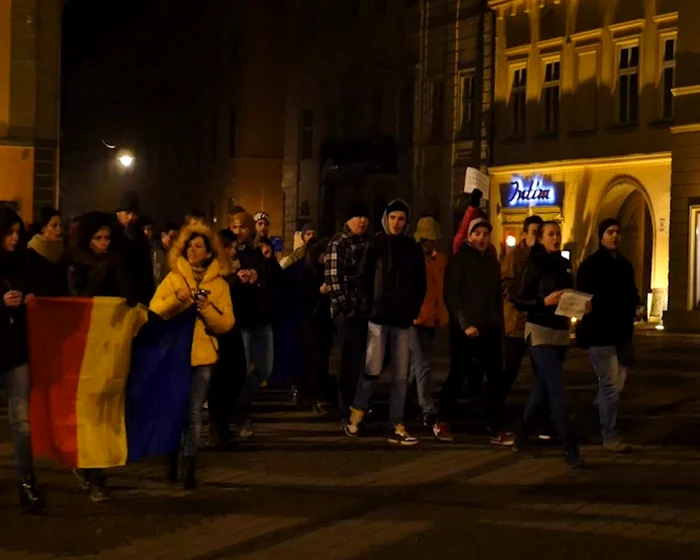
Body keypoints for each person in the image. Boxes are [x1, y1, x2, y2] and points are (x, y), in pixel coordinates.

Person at [150, 222, 234, 489]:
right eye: (190, 246)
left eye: (199, 246)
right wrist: (179, 300)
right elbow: (155, 309)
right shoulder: (174, 278)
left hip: (203, 357)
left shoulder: (219, 284)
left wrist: (206, 308)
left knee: (194, 413)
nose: (193, 250)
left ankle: (190, 466)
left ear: (210, 253)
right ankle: (172, 459)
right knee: (175, 409)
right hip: (174, 355)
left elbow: (226, 323)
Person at [344, 199, 426, 445]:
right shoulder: (377, 243)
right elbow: (363, 276)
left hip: (402, 320)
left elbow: (420, 283)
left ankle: (396, 424)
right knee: (372, 370)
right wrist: (369, 306)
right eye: (393, 218)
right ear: (386, 219)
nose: (397, 223)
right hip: (378, 319)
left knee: (400, 376)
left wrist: (412, 309)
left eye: (401, 219)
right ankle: (356, 415)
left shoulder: (412, 248)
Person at [67, 212, 130, 501]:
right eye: (98, 238)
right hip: (84, 348)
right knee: (89, 410)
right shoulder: (76, 264)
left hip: (109, 345)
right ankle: (93, 473)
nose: (103, 243)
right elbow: (76, 302)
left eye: (106, 238)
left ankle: (94, 467)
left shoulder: (116, 263)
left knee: (105, 410)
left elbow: (124, 298)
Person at [513, 221, 584, 468]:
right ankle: (570, 447)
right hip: (539, 332)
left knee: (541, 388)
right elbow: (519, 299)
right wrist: (543, 301)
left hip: (560, 333)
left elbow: (571, 294)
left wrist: (581, 303)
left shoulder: (564, 264)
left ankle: (521, 434)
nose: (555, 239)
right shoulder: (534, 263)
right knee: (556, 389)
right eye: (550, 235)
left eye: (557, 234)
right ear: (540, 238)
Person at [434, 218, 504, 444]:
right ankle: (442, 419)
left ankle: (495, 426)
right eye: (478, 234)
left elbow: (495, 297)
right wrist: (464, 324)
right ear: (469, 236)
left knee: (494, 377)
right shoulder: (460, 259)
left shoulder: (492, 262)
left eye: (485, 234)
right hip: (465, 331)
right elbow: (452, 295)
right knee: (457, 375)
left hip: (489, 329)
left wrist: (497, 324)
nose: (482, 238)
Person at [576, 218, 638, 454]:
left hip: (622, 334)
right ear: (601, 236)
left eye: (617, 232)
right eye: (610, 232)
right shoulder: (591, 265)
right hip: (600, 335)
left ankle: (598, 411)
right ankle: (609, 435)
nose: (614, 236)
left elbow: (630, 294)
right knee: (610, 386)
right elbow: (584, 298)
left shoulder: (624, 265)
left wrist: (634, 306)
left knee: (615, 385)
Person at [0, 208, 44, 513]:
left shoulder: (25, 262)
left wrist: (31, 299)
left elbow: (42, 289)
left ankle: (28, 484)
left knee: (22, 421)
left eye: (18, 232)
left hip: (16, 350)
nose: (14, 238)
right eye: (9, 232)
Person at [229, 211, 280, 439]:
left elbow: (276, 279)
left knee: (264, 368)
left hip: (261, 319)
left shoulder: (260, 252)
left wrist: (260, 272)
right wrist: (236, 278)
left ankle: (237, 409)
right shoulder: (228, 253)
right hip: (241, 321)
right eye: (234, 227)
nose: (238, 232)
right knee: (239, 371)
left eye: (242, 227)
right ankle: (237, 416)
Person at [324, 200, 370, 421]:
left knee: (364, 361)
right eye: (357, 217)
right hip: (348, 312)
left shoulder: (368, 242)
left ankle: (359, 405)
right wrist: (346, 307)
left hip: (366, 311)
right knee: (350, 361)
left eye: (365, 217)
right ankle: (346, 406)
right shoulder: (339, 243)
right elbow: (333, 278)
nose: (362, 221)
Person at [500, 215, 543, 434]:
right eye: (533, 232)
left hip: (536, 323)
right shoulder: (515, 257)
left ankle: (541, 420)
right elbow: (508, 286)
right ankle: (495, 413)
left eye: (539, 232)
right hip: (516, 323)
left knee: (542, 373)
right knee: (509, 371)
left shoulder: (541, 257)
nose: (537, 236)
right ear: (524, 234)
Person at [207, 229, 247, 447]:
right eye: (229, 247)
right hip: (218, 329)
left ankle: (222, 425)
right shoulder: (212, 268)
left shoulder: (234, 266)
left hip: (233, 326)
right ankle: (217, 429)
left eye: (235, 247)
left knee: (238, 373)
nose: (234, 251)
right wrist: (235, 282)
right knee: (221, 379)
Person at [410, 216, 449, 428]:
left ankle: (407, 400)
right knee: (422, 364)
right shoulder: (414, 259)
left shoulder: (439, 260)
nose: (433, 243)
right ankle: (427, 408)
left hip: (432, 318)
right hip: (415, 319)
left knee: (418, 367)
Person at [292, 237, 334, 415]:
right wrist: (318, 291)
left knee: (322, 359)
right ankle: (314, 395)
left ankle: (313, 393)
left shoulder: (330, 269)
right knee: (314, 358)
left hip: (326, 319)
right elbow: (299, 294)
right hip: (310, 318)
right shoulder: (306, 270)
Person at [110, 190, 155, 305]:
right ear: (118, 213)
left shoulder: (140, 238)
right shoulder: (110, 236)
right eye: (127, 212)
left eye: (134, 213)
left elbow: (147, 272)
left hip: (139, 299)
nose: (131, 217)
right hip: (115, 299)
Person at [26, 206, 69, 297]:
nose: (59, 229)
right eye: (54, 225)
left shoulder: (63, 252)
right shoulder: (31, 252)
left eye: (60, 225)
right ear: (43, 227)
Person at [152, 221, 179, 286]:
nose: (174, 241)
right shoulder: (153, 251)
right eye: (172, 237)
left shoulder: (176, 253)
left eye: (176, 238)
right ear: (163, 235)